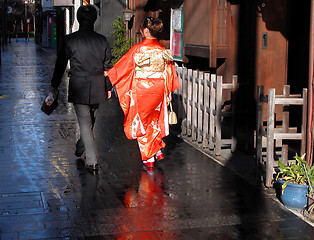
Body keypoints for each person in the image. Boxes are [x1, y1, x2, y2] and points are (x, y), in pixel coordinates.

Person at [105, 17, 180, 168]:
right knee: (154, 118)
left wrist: (109, 73)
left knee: (142, 120)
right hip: (159, 88)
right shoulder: (163, 50)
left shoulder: (138, 49)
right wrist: (167, 91)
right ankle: (156, 148)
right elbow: (169, 72)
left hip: (143, 89)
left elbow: (124, 66)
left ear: (145, 31)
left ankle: (149, 157)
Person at [48, 4, 112, 171]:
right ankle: (80, 147)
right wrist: (109, 87)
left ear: (78, 19)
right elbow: (108, 67)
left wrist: (54, 86)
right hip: (98, 85)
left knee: (85, 123)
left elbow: (60, 64)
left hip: (79, 85)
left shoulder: (70, 40)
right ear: (94, 20)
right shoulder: (102, 40)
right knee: (90, 122)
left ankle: (92, 160)